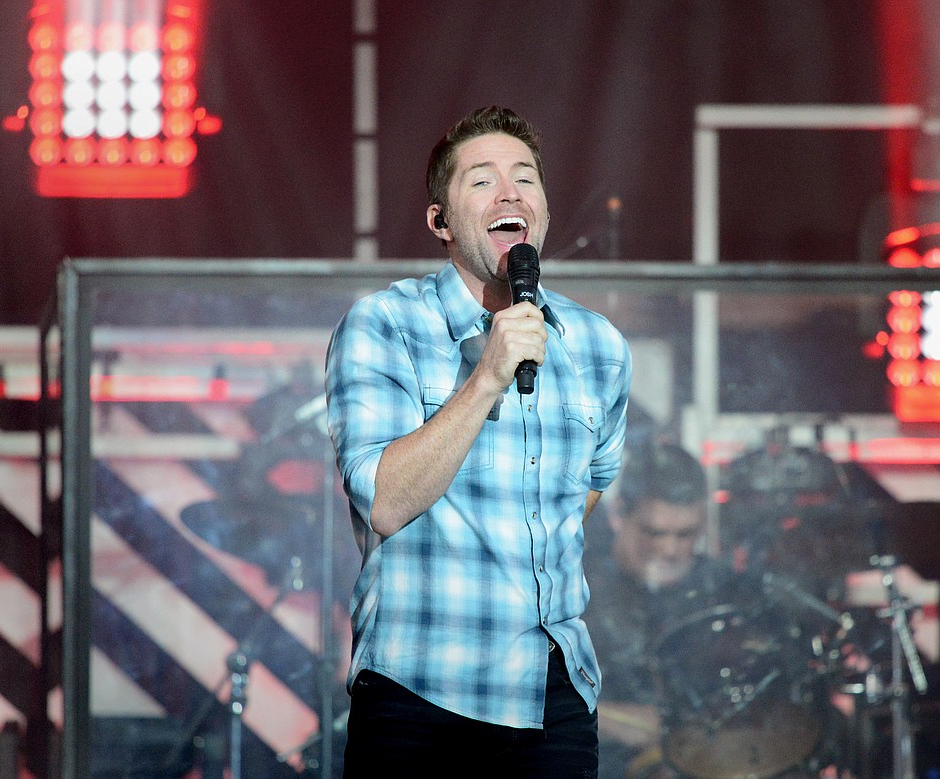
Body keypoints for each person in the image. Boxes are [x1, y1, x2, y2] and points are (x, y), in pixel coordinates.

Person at [324, 106, 632, 778]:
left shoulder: (599, 346)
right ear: (440, 221)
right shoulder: (386, 325)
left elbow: (589, 489)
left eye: (526, 178)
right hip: (420, 690)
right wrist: (488, 376)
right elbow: (382, 500)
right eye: (483, 181)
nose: (511, 193)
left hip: (554, 697)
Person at [584, 442, 759, 779]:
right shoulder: (574, 589)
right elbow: (527, 699)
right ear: (620, 513)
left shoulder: (725, 594)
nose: (670, 549)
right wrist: (611, 720)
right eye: (655, 532)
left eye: (686, 534)